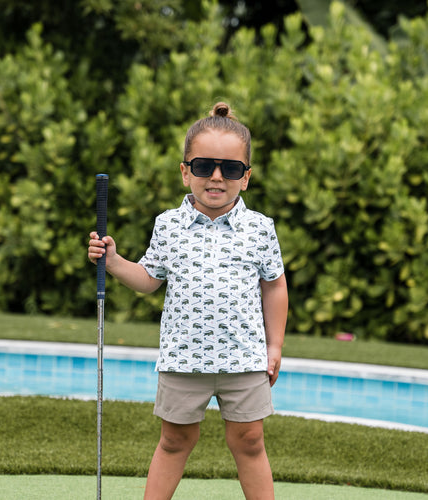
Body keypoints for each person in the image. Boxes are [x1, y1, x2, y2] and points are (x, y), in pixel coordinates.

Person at [88, 102, 288, 500]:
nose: (216, 177)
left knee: (250, 441)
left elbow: (275, 286)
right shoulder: (168, 225)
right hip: (183, 357)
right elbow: (148, 279)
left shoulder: (260, 228)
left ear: (246, 178)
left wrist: (275, 345)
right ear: (185, 172)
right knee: (174, 440)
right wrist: (113, 261)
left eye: (231, 169)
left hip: (243, 358)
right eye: (203, 166)